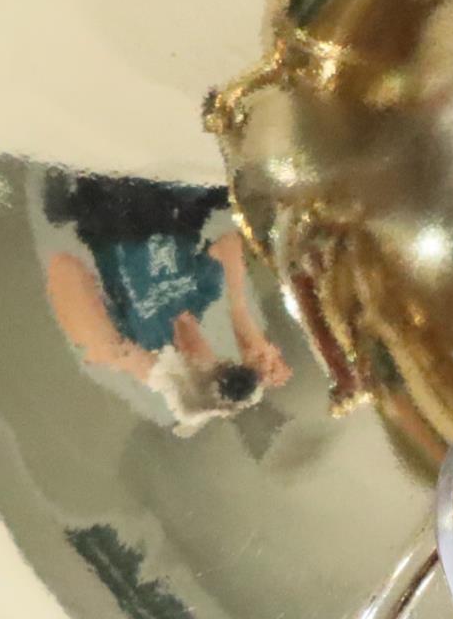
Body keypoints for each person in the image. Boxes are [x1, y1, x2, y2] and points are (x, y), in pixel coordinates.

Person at [43, 171, 291, 433]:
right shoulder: (200, 297)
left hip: (116, 212)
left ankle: (66, 205)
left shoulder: (139, 335)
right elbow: (230, 243)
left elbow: (63, 268)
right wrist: (242, 320)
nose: (198, 360)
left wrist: (114, 351)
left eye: (198, 374)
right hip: (170, 203)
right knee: (237, 188)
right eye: (216, 367)